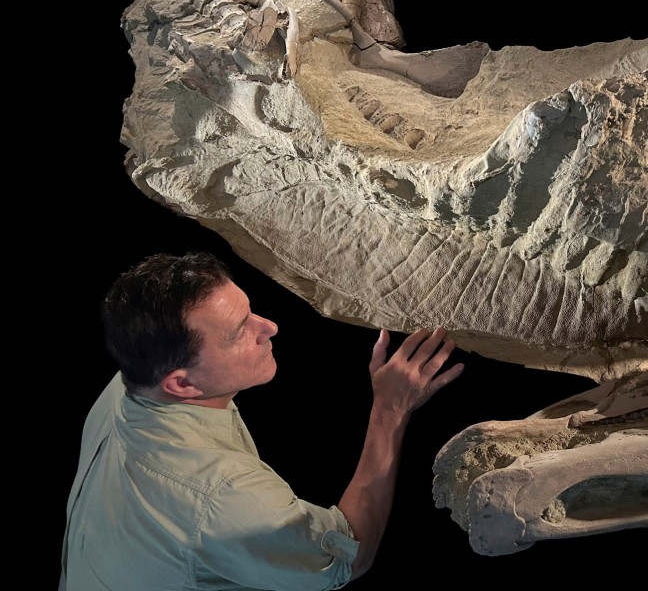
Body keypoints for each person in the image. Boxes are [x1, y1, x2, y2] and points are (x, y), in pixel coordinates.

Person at [59, 251, 464, 590]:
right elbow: (348, 555)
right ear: (181, 384)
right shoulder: (220, 496)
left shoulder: (128, 384)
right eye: (239, 332)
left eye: (250, 311)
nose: (269, 327)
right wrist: (390, 410)